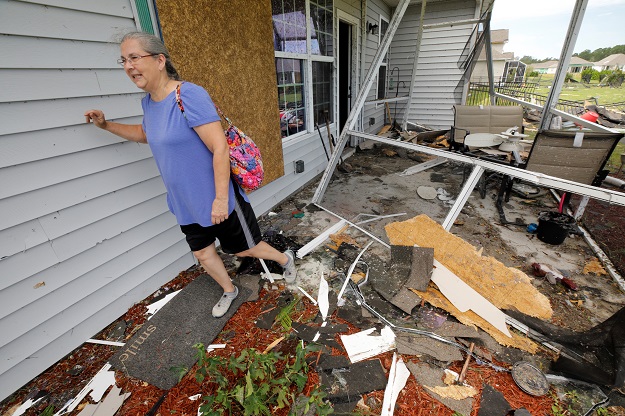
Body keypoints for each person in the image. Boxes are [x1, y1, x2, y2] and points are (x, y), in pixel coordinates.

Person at [84, 32, 296, 318]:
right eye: (124, 60)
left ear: (160, 60)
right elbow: (146, 134)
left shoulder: (189, 95)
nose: (128, 66)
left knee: (245, 250)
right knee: (203, 253)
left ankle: (285, 258)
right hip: (183, 201)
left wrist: (221, 199)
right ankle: (229, 290)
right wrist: (106, 125)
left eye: (134, 58)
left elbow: (219, 147)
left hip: (217, 199)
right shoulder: (148, 103)